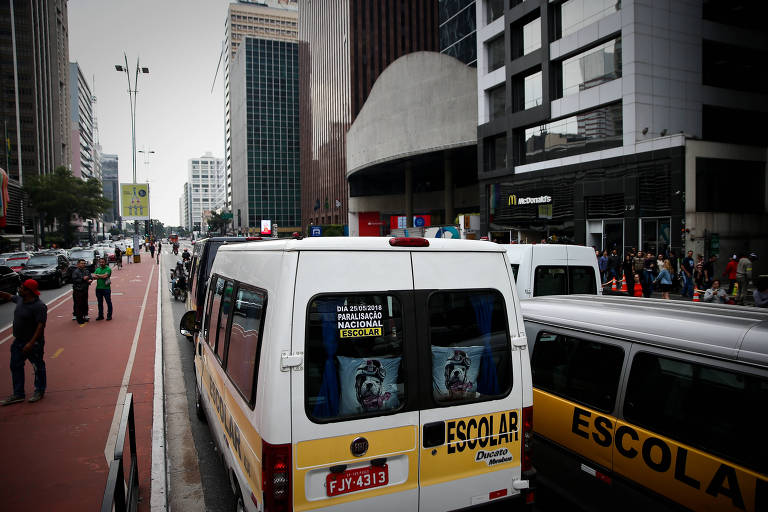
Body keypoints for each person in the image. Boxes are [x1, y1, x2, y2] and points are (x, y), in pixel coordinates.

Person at [0, 280, 47, 405]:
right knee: (15, 366)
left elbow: (40, 326)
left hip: (33, 343)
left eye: (21, 288)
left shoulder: (39, 306)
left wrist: (31, 343)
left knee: (38, 367)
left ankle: (39, 390)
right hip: (18, 341)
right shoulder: (20, 300)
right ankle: (18, 393)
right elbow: (8, 296)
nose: (19, 290)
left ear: (28, 291)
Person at [71, 259, 93, 324]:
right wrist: (83, 279)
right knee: (78, 304)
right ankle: (79, 318)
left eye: (84, 263)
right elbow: (74, 280)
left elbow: (90, 277)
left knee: (84, 303)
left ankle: (84, 316)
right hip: (78, 290)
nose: (83, 264)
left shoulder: (86, 271)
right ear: (78, 264)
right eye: (81, 263)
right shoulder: (76, 272)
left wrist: (89, 280)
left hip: (85, 290)